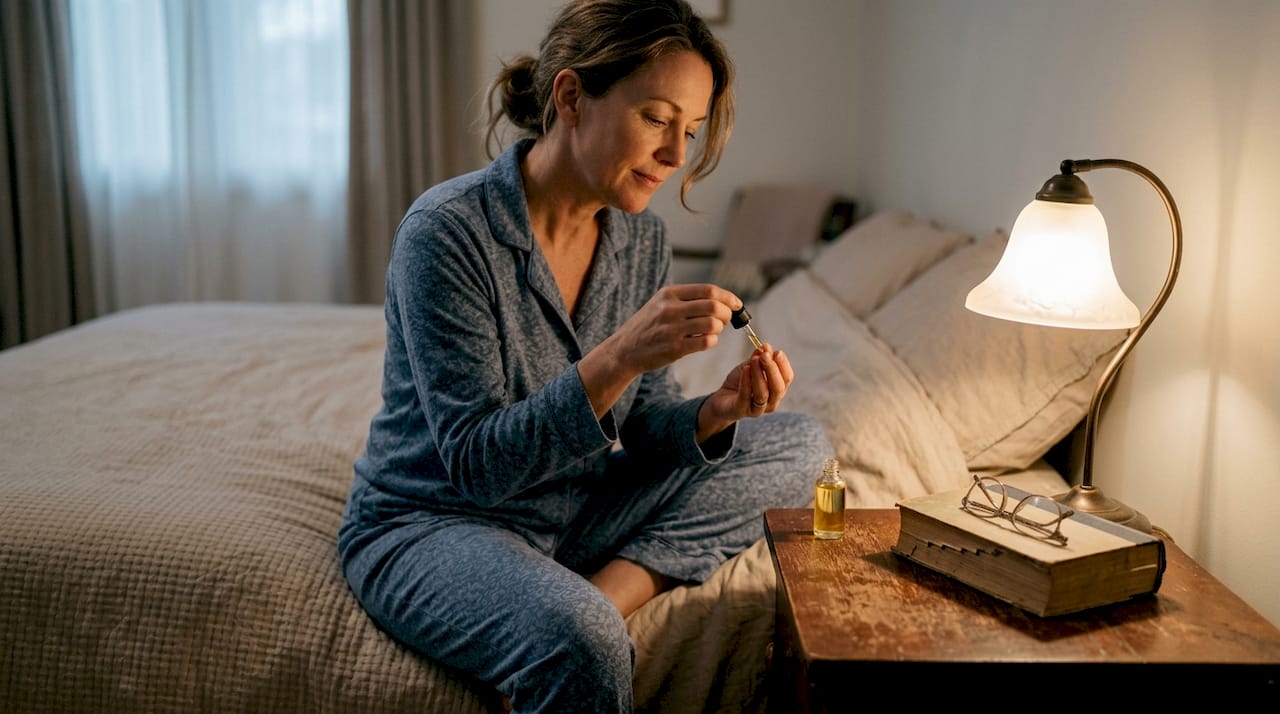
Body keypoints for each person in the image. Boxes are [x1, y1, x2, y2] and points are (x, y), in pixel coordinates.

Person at [336, 1, 832, 711]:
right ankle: (575, 618)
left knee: (799, 443)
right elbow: (478, 469)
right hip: (435, 524)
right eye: (657, 118)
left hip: (574, 513)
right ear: (570, 96)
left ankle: (604, 595)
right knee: (582, 640)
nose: (675, 155)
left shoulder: (640, 241)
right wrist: (621, 353)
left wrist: (716, 412)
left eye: (689, 131)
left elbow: (643, 424)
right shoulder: (447, 233)